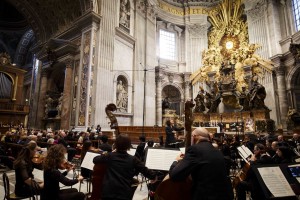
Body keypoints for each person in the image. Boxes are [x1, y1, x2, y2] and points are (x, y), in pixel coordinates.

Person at [169, 127, 233, 200]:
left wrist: (176, 161)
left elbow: (174, 176)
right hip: (222, 195)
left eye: (192, 137)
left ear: (194, 137)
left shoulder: (195, 149)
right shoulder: (217, 151)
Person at [93, 134, 157, 200]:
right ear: (129, 146)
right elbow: (145, 170)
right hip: (124, 194)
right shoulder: (133, 159)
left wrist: (110, 153)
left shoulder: (110, 156)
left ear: (116, 145)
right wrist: (153, 176)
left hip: (108, 192)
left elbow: (95, 159)